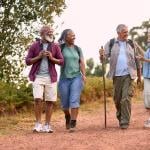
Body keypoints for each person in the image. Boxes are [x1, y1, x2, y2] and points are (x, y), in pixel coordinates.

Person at [99, 24, 142, 129]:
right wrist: (101, 55)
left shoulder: (131, 44)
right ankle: (120, 116)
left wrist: (139, 76)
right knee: (117, 99)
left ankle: (125, 122)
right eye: (124, 32)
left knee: (126, 98)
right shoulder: (111, 43)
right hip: (116, 76)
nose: (127, 34)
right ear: (118, 33)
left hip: (129, 75)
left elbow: (137, 60)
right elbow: (103, 59)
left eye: (127, 32)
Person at [25, 25, 64, 133]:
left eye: (52, 32)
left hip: (51, 77)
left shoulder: (55, 46)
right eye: (48, 32)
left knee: (50, 102)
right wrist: (38, 56)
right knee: (37, 99)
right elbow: (27, 61)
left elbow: (61, 62)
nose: (51, 34)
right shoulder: (34, 46)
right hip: (38, 76)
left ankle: (47, 125)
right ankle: (38, 124)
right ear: (42, 34)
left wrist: (51, 58)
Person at [58, 29, 86, 132]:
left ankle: (73, 123)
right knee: (65, 104)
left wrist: (84, 75)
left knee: (74, 100)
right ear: (65, 37)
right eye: (71, 35)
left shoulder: (78, 49)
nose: (74, 37)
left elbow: (82, 62)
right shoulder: (61, 48)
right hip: (64, 78)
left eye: (74, 35)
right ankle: (67, 116)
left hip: (76, 77)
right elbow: (55, 57)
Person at [137, 41, 150, 128]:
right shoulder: (149, 49)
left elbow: (145, 58)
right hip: (147, 76)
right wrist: (137, 46)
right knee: (147, 98)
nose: (148, 38)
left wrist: (143, 60)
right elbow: (145, 54)